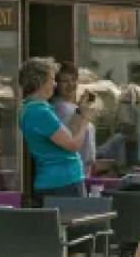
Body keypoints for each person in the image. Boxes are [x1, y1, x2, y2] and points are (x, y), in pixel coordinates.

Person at [18, 57, 89, 202]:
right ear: (40, 81)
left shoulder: (30, 109)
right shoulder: (40, 112)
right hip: (64, 182)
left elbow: (65, 136)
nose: (55, 84)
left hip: (52, 181)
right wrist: (85, 120)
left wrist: (79, 113)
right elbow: (73, 145)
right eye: (52, 79)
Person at [51, 62, 96, 177]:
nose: (70, 85)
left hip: (82, 171)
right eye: (65, 81)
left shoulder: (73, 106)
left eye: (73, 80)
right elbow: (70, 136)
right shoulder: (60, 107)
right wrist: (81, 112)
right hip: (71, 172)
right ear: (56, 84)